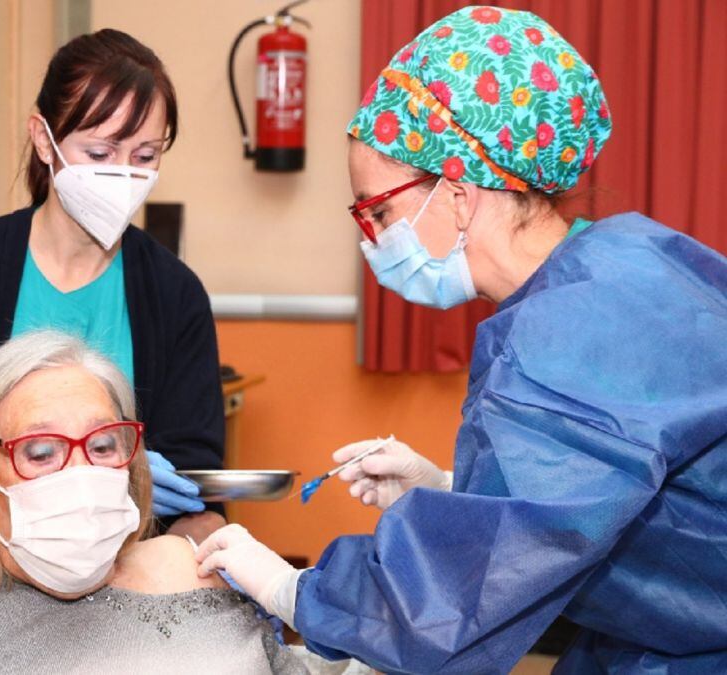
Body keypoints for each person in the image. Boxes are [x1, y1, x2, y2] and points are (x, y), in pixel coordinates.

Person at [196, 6, 727, 674]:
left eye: (378, 212)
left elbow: (452, 605)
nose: (374, 240)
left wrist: (291, 587)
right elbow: (609, 487)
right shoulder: (635, 255)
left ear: (456, 194)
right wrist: (455, 491)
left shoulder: (552, 344)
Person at [0, 29, 226, 594]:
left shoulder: (174, 295)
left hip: (113, 581)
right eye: (99, 153)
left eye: (145, 156)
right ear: (43, 139)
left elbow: (194, 455)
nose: (122, 174)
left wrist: (154, 484)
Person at [0, 332, 302, 674]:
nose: (82, 475)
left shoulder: (191, 566)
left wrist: (304, 599)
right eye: (41, 452)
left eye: (103, 445)